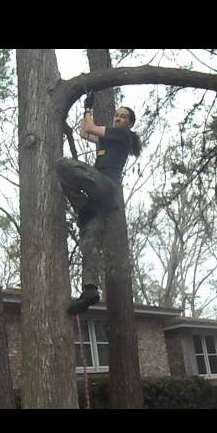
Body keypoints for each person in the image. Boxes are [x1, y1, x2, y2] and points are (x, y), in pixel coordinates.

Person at [56, 91, 142, 314]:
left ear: (129, 123)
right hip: (101, 200)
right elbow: (86, 133)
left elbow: (91, 127)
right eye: (117, 116)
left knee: (63, 165)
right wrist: (87, 114)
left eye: (123, 116)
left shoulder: (123, 135)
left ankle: (82, 206)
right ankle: (90, 289)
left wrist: (88, 109)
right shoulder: (111, 137)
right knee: (89, 240)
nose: (117, 119)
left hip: (105, 184)